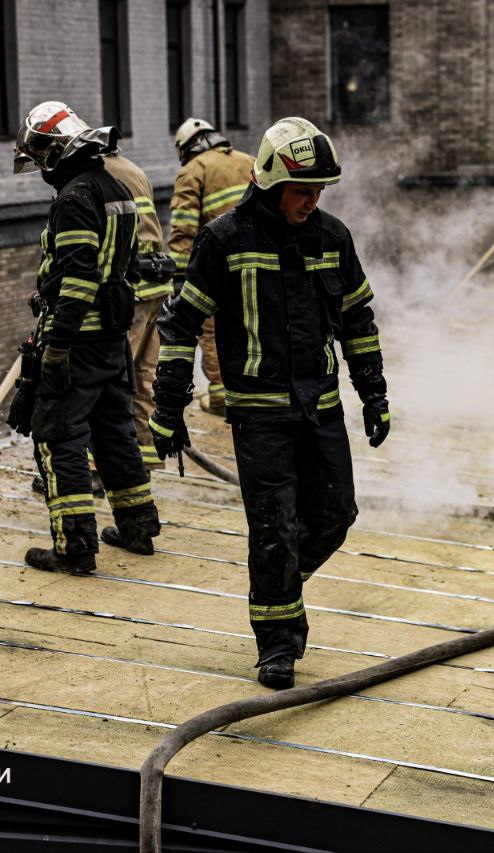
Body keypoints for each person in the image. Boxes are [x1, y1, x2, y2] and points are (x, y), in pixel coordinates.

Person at [150, 117, 391, 690]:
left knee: (336, 514)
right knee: (275, 525)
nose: (313, 202)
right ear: (270, 182)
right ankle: (276, 645)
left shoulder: (333, 238)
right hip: (259, 413)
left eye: (320, 191)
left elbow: (358, 321)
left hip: (322, 406)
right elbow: (182, 325)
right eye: (303, 191)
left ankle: (276, 586)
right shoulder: (225, 240)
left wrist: (374, 393)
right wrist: (167, 408)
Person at [10, 101, 163, 574]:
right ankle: (137, 528)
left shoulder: (75, 197)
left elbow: (77, 279)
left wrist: (56, 345)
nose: (38, 170)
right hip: (112, 342)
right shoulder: (114, 187)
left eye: (38, 159)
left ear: (54, 152)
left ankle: (74, 547)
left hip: (77, 343)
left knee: (59, 439)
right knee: (115, 434)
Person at [168, 117, 256, 416]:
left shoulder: (192, 171)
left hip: (218, 270)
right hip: (260, 266)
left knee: (213, 329)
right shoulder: (250, 161)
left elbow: (184, 230)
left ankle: (222, 397)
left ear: (186, 147)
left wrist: (179, 280)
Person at [102, 151, 176, 471]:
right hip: (157, 288)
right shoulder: (135, 169)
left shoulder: (92, 178)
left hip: (128, 294)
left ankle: (95, 466)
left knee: (110, 381)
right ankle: (145, 459)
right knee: (145, 379)